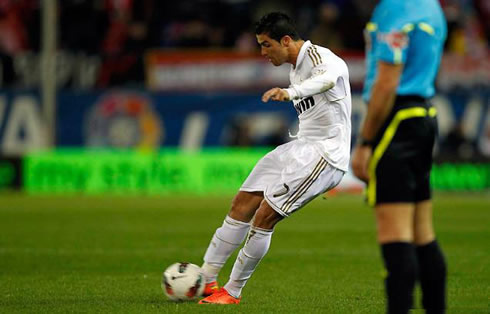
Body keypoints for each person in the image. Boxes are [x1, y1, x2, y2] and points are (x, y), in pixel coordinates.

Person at [198, 12, 352, 304]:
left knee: (265, 215)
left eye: (266, 45)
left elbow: (327, 81)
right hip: (300, 146)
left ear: (285, 40)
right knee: (242, 202)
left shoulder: (322, 59)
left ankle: (232, 292)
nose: (262, 52)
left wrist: (291, 92)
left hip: (325, 154)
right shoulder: (295, 67)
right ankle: (206, 278)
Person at [351, 1, 447, 313]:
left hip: (395, 121)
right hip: (423, 115)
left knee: (396, 239)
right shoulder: (430, 7)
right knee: (423, 234)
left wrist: (365, 141)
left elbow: (387, 81)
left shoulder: (395, 9)